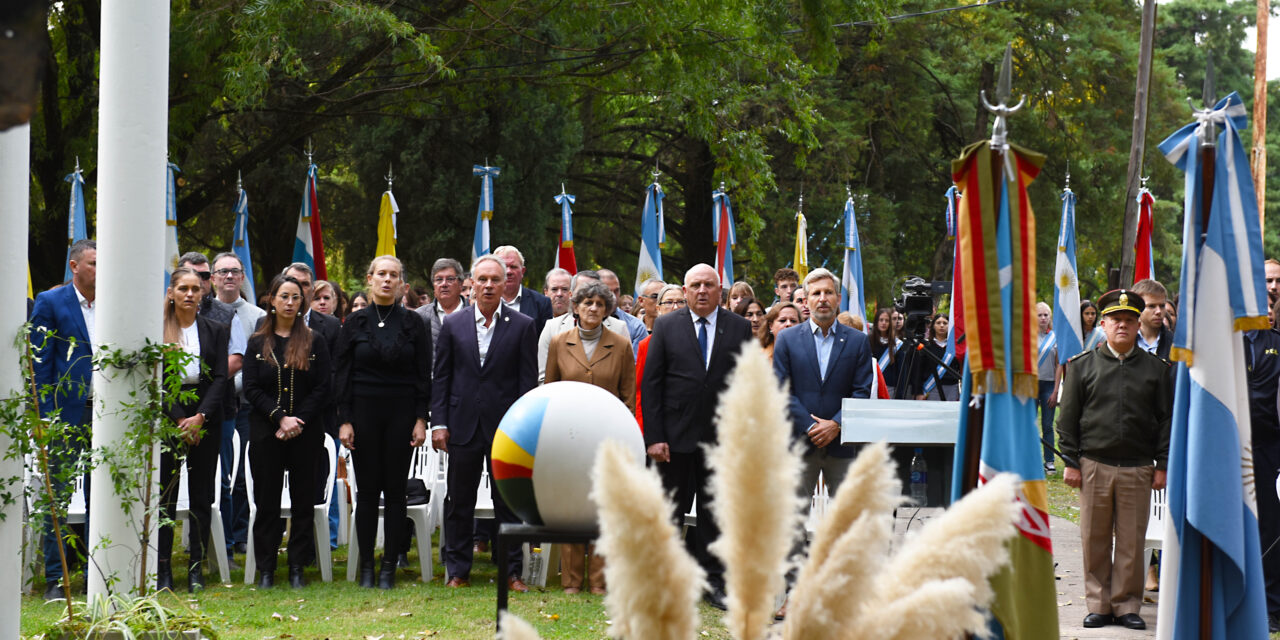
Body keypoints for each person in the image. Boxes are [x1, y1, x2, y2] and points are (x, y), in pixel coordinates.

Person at [1057, 289, 1172, 631]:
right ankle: (1098, 604)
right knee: (1094, 538)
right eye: (1115, 320)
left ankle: (1126, 605)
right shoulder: (1082, 366)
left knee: (1132, 541)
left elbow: (1166, 419)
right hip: (1094, 465)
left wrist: (1162, 464)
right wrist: (1071, 461)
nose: (1122, 325)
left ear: (1138, 325)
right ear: (1103, 325)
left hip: (1138, 466)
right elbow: (1067, 419)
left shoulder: (1156, 370)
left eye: (1129, 320)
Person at [641, 263, 754, 610]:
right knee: (668, 513)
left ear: (720, 290)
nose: (702, 291)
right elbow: (652, 384)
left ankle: (713, 583)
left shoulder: (739, 327)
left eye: (709, 285)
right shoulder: (666, 325)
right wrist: (654, 436)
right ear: (685, 290)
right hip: (672, 440)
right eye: (695, 285)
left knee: (714, 516)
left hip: (721, 439)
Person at [431, 255, 537, 592]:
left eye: (495, 279)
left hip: (506, 428)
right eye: (482, 279)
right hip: (461, 425)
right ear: (471, 284)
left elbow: (527, 383)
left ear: (506, 283)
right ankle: (458, 571)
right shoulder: (454, 324)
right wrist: (439, 423)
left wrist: (523, 429)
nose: (489, 285)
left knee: (509, 502)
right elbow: (442, 377)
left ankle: (512, 572)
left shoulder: (523, 325)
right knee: (459, 501)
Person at [771, 268, 871, 613]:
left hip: (843, 444)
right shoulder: (788, 339)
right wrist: (811, 426)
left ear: (838, 298)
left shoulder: (857, 341)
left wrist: (836, 424)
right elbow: (781, 389)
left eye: (828, 293)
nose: (822, 299)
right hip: (800, 443)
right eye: (815, 293)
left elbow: (862, 391)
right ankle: (792, 595)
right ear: (806, 299)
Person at [335, 256, 431, 589]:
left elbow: (423, 374)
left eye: (393, 275)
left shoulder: (414, 323)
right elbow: (342, 374)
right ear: (370, 279)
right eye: (381, 274)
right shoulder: (354, 322)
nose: (387, 280)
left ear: (402, 283)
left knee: (395, 492)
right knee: (366, 492)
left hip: (402, 415)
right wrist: (344, 420)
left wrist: (421, 418)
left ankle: (389, 566)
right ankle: (366, 567)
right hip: (363, 414)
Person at [544, 282, 636, 595]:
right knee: (571, 506)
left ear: (607, 309)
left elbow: (628, 396)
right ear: (576, 307)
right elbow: (550, 391)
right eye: (587, 303)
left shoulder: (621, 345)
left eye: (600, 304)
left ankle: (599, 579)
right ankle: (571, 579)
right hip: (568, 439)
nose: (593, 308)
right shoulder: (559, 342)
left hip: (607, 438)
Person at [243, 275, 332, 589]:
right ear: (272, 300)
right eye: (284, 296)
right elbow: (251, 388)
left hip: (306, 433)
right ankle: (266, 568)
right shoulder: (257, 342)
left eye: (296, 297)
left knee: (303, 501)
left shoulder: (314, 340)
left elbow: (323, 387)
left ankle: (297, 566)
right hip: (266, 432)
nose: (290, 302)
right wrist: (280, 418)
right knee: (266, 501)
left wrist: (297, 421)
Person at [30, 239, 96, 601]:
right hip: (65, 414)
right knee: (57, 496)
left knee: (101, 495)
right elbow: (39, 364)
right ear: (74, 266)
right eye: (93, 263)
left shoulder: (114, 302)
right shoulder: (51, 302)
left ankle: (95, 574)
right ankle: (57, 579)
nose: (100, 271)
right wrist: (44, 416)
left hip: (107, 413)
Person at [157, 266, 229, 592]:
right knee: (166, 495)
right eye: (183, 288)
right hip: (168, 416)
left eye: (195, 289)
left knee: (202, 494)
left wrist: (200, 417)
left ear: (202, 293)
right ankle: (163, 570)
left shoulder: (215, 329)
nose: (189, 294)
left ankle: (196, 568)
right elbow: (156, 380)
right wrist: (178, 420)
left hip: (205, 416)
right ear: (171, 293)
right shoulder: (158, 329)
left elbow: (220, 377)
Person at [211, 251, 267, 564]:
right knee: (220, 475)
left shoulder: (258, 316)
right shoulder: (204, 311)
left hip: (247, 404)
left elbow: (257, 361)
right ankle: (218, 538)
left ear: (243, 277)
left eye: (235, 271)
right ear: (213, 278)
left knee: (244, 473)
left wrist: (228, 384)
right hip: (215, 405)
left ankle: (242, 533)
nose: (229, 276)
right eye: (223, 272)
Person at [1246, 298, 1280, 631]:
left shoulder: (1276, 344)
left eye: (1270, 304)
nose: (1267, 310)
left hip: (1269, 450)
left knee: (1270, 528)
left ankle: (1270, 606)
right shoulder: (1225, 343)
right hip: (1230, 450)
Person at [538, 270, 630, 383]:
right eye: (583, 290)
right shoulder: (552, 327)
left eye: (595, 290)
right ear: (572, 296)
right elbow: (544, 378)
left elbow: (627, 380)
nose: (589, 295)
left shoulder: (619, 328)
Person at [636, 284, 685, 432]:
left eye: (680, 302)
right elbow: (640, 391)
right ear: (658, 309)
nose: (675, 307)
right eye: (668, 302)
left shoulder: (700, 339)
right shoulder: (646, 345)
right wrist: (643, 429)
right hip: (659, 421)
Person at [492, 245, 553, 334]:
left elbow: (546, 339)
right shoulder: (485, 301)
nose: (508, 271)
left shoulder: (541, 303)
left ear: (522, 271)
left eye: (513, 267)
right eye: (504, 267)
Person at [415, 258, 466, 357]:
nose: (444, 284)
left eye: (450, 279)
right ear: (433, 285)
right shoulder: (419, 316)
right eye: (439, 279)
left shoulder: (475, 314)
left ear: (461, 284)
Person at [598, 268, 648, 352]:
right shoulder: (579, 322)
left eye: (616, 291)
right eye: (607, 291)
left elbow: (635, 359)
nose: (613, 297)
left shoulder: (635, 326)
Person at [912, 314, 959, 400]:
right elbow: (918, 370)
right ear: (933, 326)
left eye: (945, 323)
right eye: (938, 323)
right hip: (932, 388)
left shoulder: (954, 347)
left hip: (952, 387)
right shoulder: (926, 346)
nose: (942, 325)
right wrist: (918, 392)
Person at [1035, 301, 1058, 473]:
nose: (1043, 318)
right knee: (1029, 424)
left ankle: (1049, 461)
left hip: (1049, 385)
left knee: (1048, 425)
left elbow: (1059, 365)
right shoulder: (1027, 336)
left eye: (1046, 315)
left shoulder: (1055, 337)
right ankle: (1030, 459)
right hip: (1031, 385)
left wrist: (1056, 390)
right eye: (1040, 315)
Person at [1131, 279, 1172, 361]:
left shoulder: (1174, 343)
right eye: (1151, 306)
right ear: (1137, 307)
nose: (1158, 311)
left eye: (1162, 306)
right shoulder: (1123, 340)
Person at [869, 308, 902, 397]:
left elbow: (901, 372)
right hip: (872, 385)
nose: (884, 323)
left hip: (889, 387)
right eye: (881, 320)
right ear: (876, 322)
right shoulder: (868, 340)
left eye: (887, 320)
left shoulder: (896, 344)